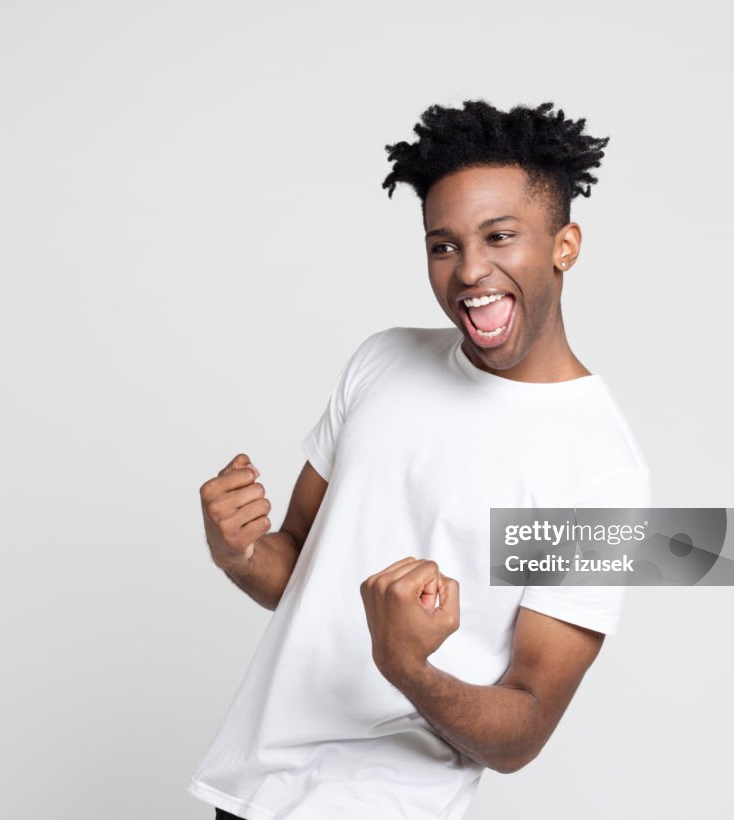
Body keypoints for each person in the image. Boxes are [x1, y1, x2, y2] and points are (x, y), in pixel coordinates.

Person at [190, 99, 652, 820]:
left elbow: (524, 728)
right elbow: (295, 574)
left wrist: (406, 665)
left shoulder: (598, 469)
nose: (471, 271)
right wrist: (239, 550)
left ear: (566, 245)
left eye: (501, 236)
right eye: (443, 245)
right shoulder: (383, 362)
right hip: (251, 790)